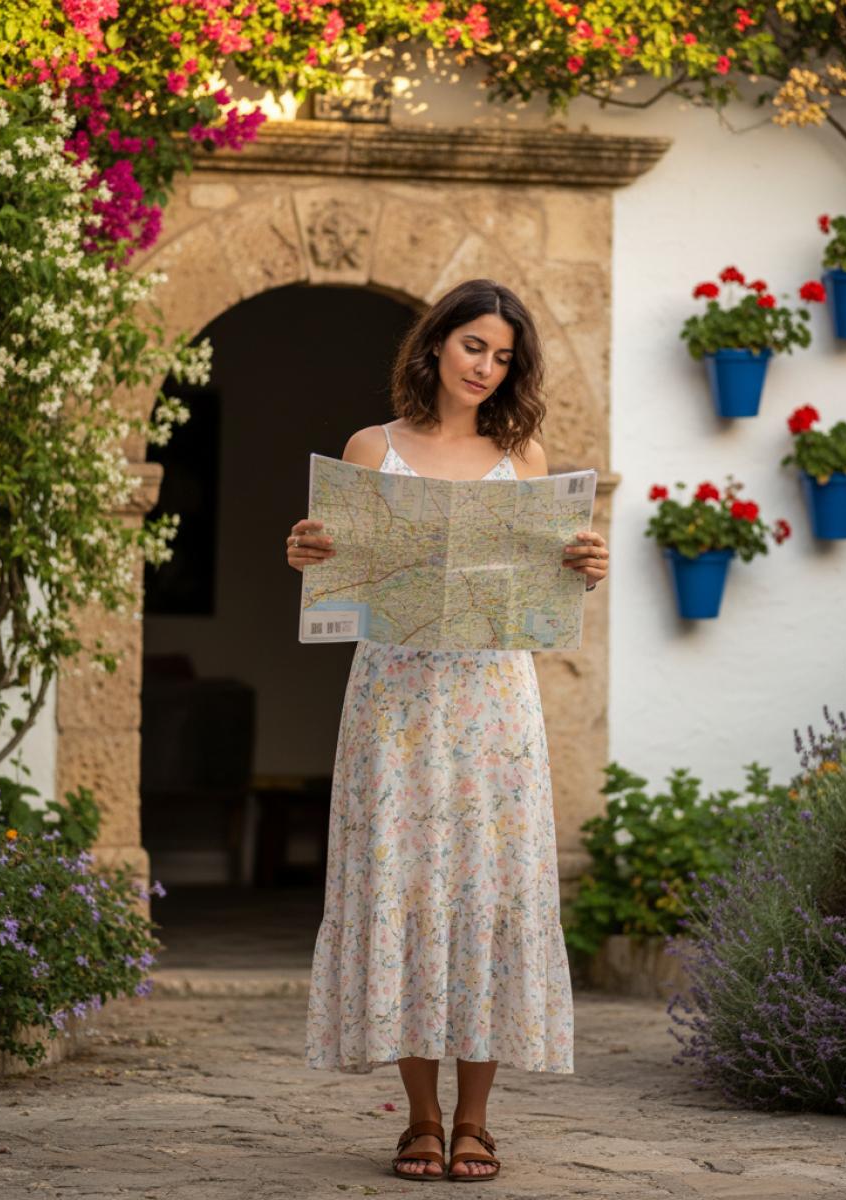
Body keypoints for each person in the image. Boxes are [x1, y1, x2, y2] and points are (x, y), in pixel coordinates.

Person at [287, 278, 609, 1182]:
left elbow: (540, 596)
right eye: (475, 346)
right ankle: (420, 1120)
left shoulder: (523, 458)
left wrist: (579, 568)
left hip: (494, 703)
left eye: (504, 356)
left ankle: (476, 1121)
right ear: (434, 347)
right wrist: (309, 552)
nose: (487, 367)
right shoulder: (371, 448)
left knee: (487, 892)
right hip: (393, 703)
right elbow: (338, 574)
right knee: (406, 888)